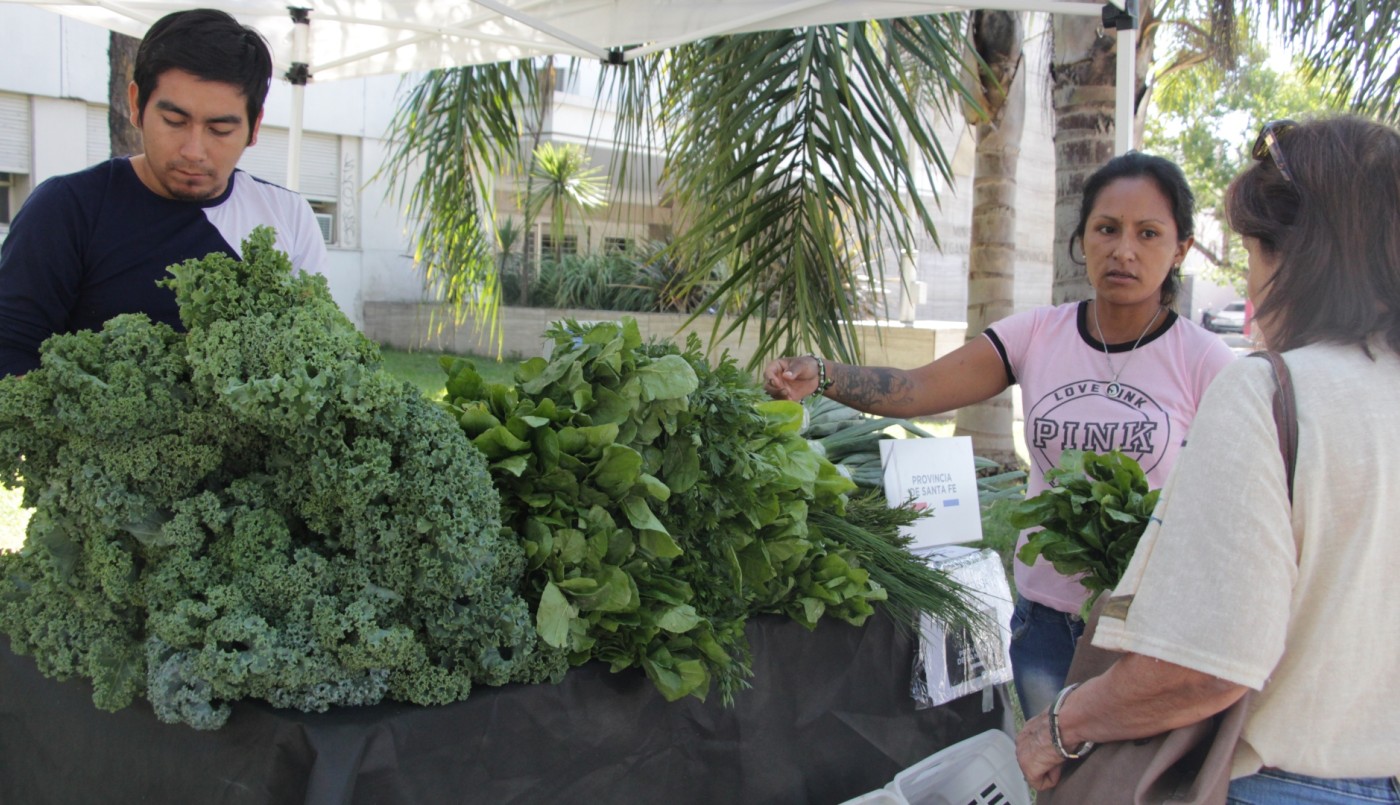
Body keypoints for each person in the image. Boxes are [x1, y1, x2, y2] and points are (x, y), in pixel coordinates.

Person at [763, 152, 1235, 718]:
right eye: (1107, 229)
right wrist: (824, 374)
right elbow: (918, 387)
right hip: (1046, 621)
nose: (1123, 250)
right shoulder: (1039, 333)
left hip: (1145, 625)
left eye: (1148, 233)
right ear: (1082, 238)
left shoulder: (1205, 360)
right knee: (1051, 762)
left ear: (1181, 248)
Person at [1015, 116, 1400, 803]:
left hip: (1274, 780)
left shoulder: (1269, 391)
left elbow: (1205, 665)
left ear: (1300, 257)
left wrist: (1060, 725)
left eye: (1251, 252)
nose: (1251, 282)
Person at [0, 8, 327, 378]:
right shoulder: (66, 209)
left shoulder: (288, 216)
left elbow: (313, 354)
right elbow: (10, 353)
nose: (194, 150)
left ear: (254, 127)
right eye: (174, 121)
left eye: (220, 130)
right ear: (136, 104)